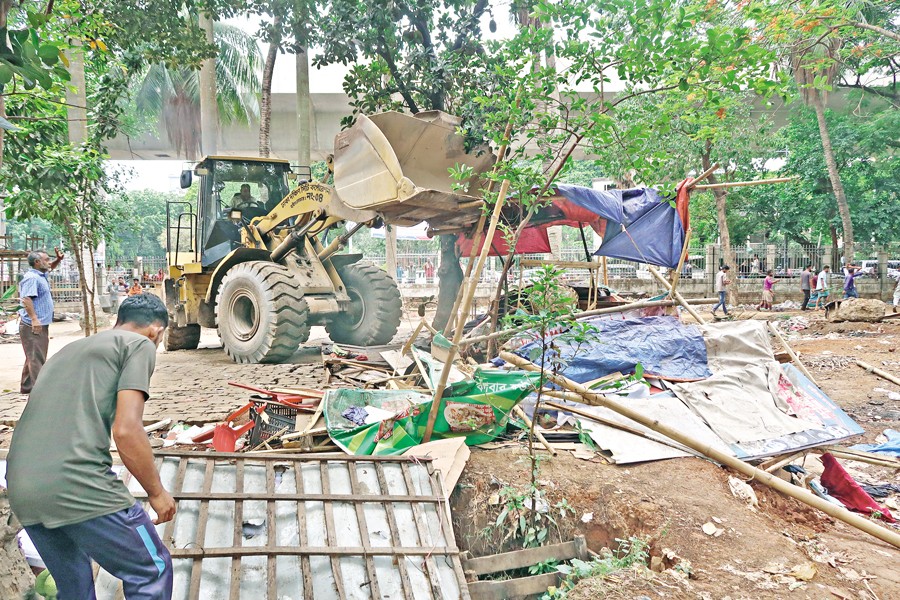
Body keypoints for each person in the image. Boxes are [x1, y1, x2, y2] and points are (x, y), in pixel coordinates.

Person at [6, 294, 175, 600]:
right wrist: (157, 493)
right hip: (77, 482)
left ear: (117, 321)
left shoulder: (68, 350)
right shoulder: (138, 345)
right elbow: (126, 430)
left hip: (23, 488)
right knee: (152, 568)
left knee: (74, 588)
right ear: (156, 331)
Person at [18, 248, 64, 395]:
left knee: (32, 355)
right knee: (37, 358)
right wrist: (34, 319)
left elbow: (50, 267)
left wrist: (58, 260)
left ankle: (26, 387)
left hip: (40, 323)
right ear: (37, 262)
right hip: (33, 324)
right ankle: (41, 393)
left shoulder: (40, 274)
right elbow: (27, 299)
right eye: (46, 260)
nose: (49, 263)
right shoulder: (32, 278)